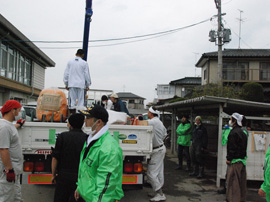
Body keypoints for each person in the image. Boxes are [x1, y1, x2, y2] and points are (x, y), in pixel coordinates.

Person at [75, 104, 124, 202]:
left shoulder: (109, 149)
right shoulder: (92, 140)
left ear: (98, 122)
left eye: (88, 118)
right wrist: (80, 187)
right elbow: (86, 170)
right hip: (87, 196)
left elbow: (106, 186)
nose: (85, 121)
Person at [51, 113, 87, 202]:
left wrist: (53, 174)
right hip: (80, 177)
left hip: (63, 176)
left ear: (70, 124)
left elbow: (55, 158)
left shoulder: (62, 136)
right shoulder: (87, 138)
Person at [0, 100, 25, 201]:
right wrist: (9, 169)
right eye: (18, 110)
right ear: (12, 111)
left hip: (15, 170)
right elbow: (3, 149)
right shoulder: (4, 127)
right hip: (8, 170)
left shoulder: (8, 125)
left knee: (15, 197)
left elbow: (10, 129)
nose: (19, 113)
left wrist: (18, 125)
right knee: (6, 197)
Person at [226, 112, 247, 202]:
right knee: (242, 184)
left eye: (231, 119)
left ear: (234, 121)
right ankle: (242, 199)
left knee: (233, 184)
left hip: (235, 162)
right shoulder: (243, 133)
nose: (230, 121)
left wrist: (228, 158)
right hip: (242, 161)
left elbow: (232, 148)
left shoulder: (233, 133)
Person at [146, 107, 167, 202]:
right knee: (158, 173)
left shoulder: (153, 122)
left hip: (157, 150)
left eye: (148, 112)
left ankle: (160, 194)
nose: (147, 113)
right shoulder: (159, 122)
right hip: (160, 148)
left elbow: (142, 123)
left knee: (151, 173)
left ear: (151, 113)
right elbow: (165, 134)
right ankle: (157, 192)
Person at [63, 49, 91, 114]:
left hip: (72, 84)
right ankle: (80, 116)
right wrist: (87, 85)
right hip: (81, 84)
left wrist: (66, 83)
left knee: (72, 102)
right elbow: (86, 75)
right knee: (81, 103)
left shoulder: (70, 62)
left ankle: (72, 116)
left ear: (76, 54)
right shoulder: (84, 63)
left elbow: (66, 74)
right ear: (83, 55)